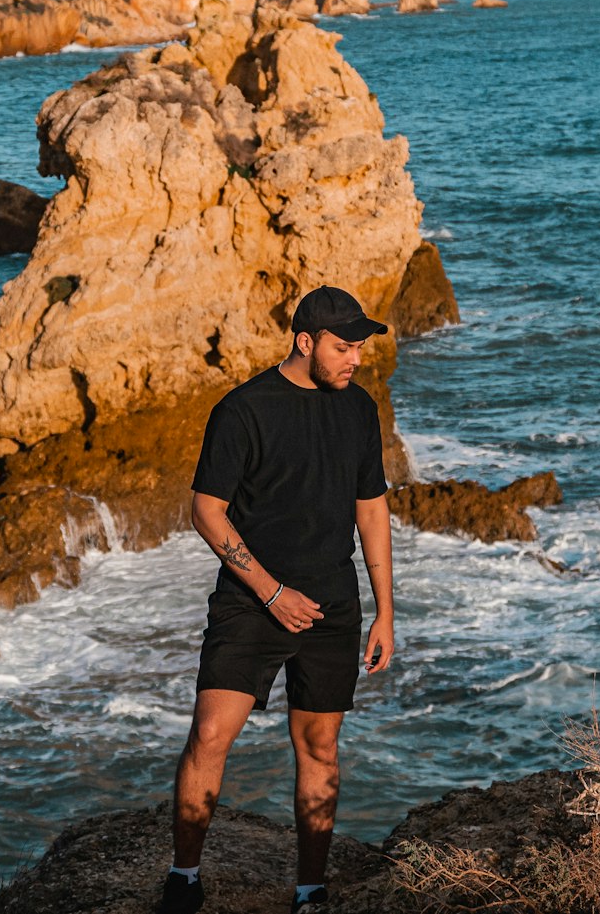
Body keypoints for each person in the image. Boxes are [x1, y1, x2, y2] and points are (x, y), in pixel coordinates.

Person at [156, 286, 395, 914]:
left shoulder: (360, 410)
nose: (356, 361)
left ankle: (310, 892)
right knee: (210, 735)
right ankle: (184, 879)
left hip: (332, 606)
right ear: (305, 342)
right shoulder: (244, 410)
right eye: (344, 348)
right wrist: (271, 592)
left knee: (320, 747)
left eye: (361, 349)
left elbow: (371, 509)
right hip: (250, 600)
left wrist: (385, 611)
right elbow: (207, 511)